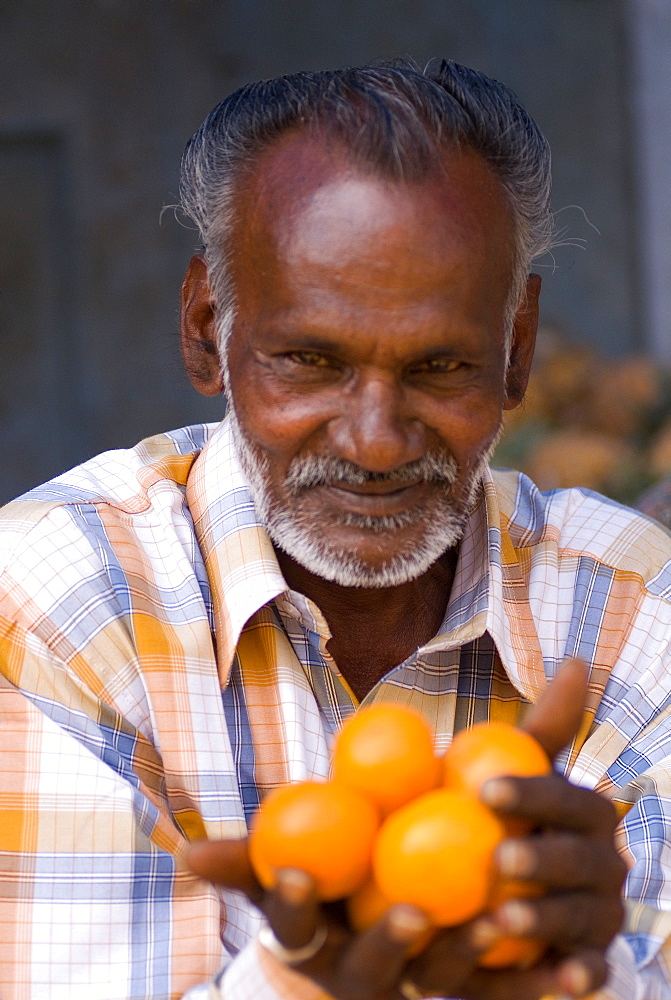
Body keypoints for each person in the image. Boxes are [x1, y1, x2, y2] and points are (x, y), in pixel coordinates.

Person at [0, 57, 668, 1000]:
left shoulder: (635, 613)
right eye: (308, 361)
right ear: (205, 330)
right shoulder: (50, 608)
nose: (376, 442)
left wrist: (597, 979)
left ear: (515, 352)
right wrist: (304, 983)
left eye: (440, 368)